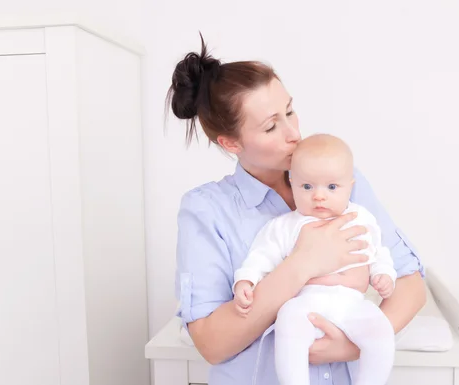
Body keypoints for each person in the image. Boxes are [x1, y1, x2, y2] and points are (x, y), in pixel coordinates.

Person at [170, 35, 426, 385]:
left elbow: (410, 282)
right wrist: (303, 264)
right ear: (230, 143)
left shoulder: (339, 178)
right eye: (272, 126)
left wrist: (352, 345)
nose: (294, 133)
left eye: (289, 111)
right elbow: (212, 344)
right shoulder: (207, 210)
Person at [232, 133, 397, 385]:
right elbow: (261, 256)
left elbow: (379, 251)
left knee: (381, 332)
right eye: (307, 187)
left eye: (331, 187)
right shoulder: (285, 225)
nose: (319, 196)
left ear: (349, 187)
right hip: (305, 303)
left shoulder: (361, 218)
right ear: (292, 182)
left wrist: (383, 274)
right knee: (287, 324)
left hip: (351, 304)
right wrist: (246, 280)